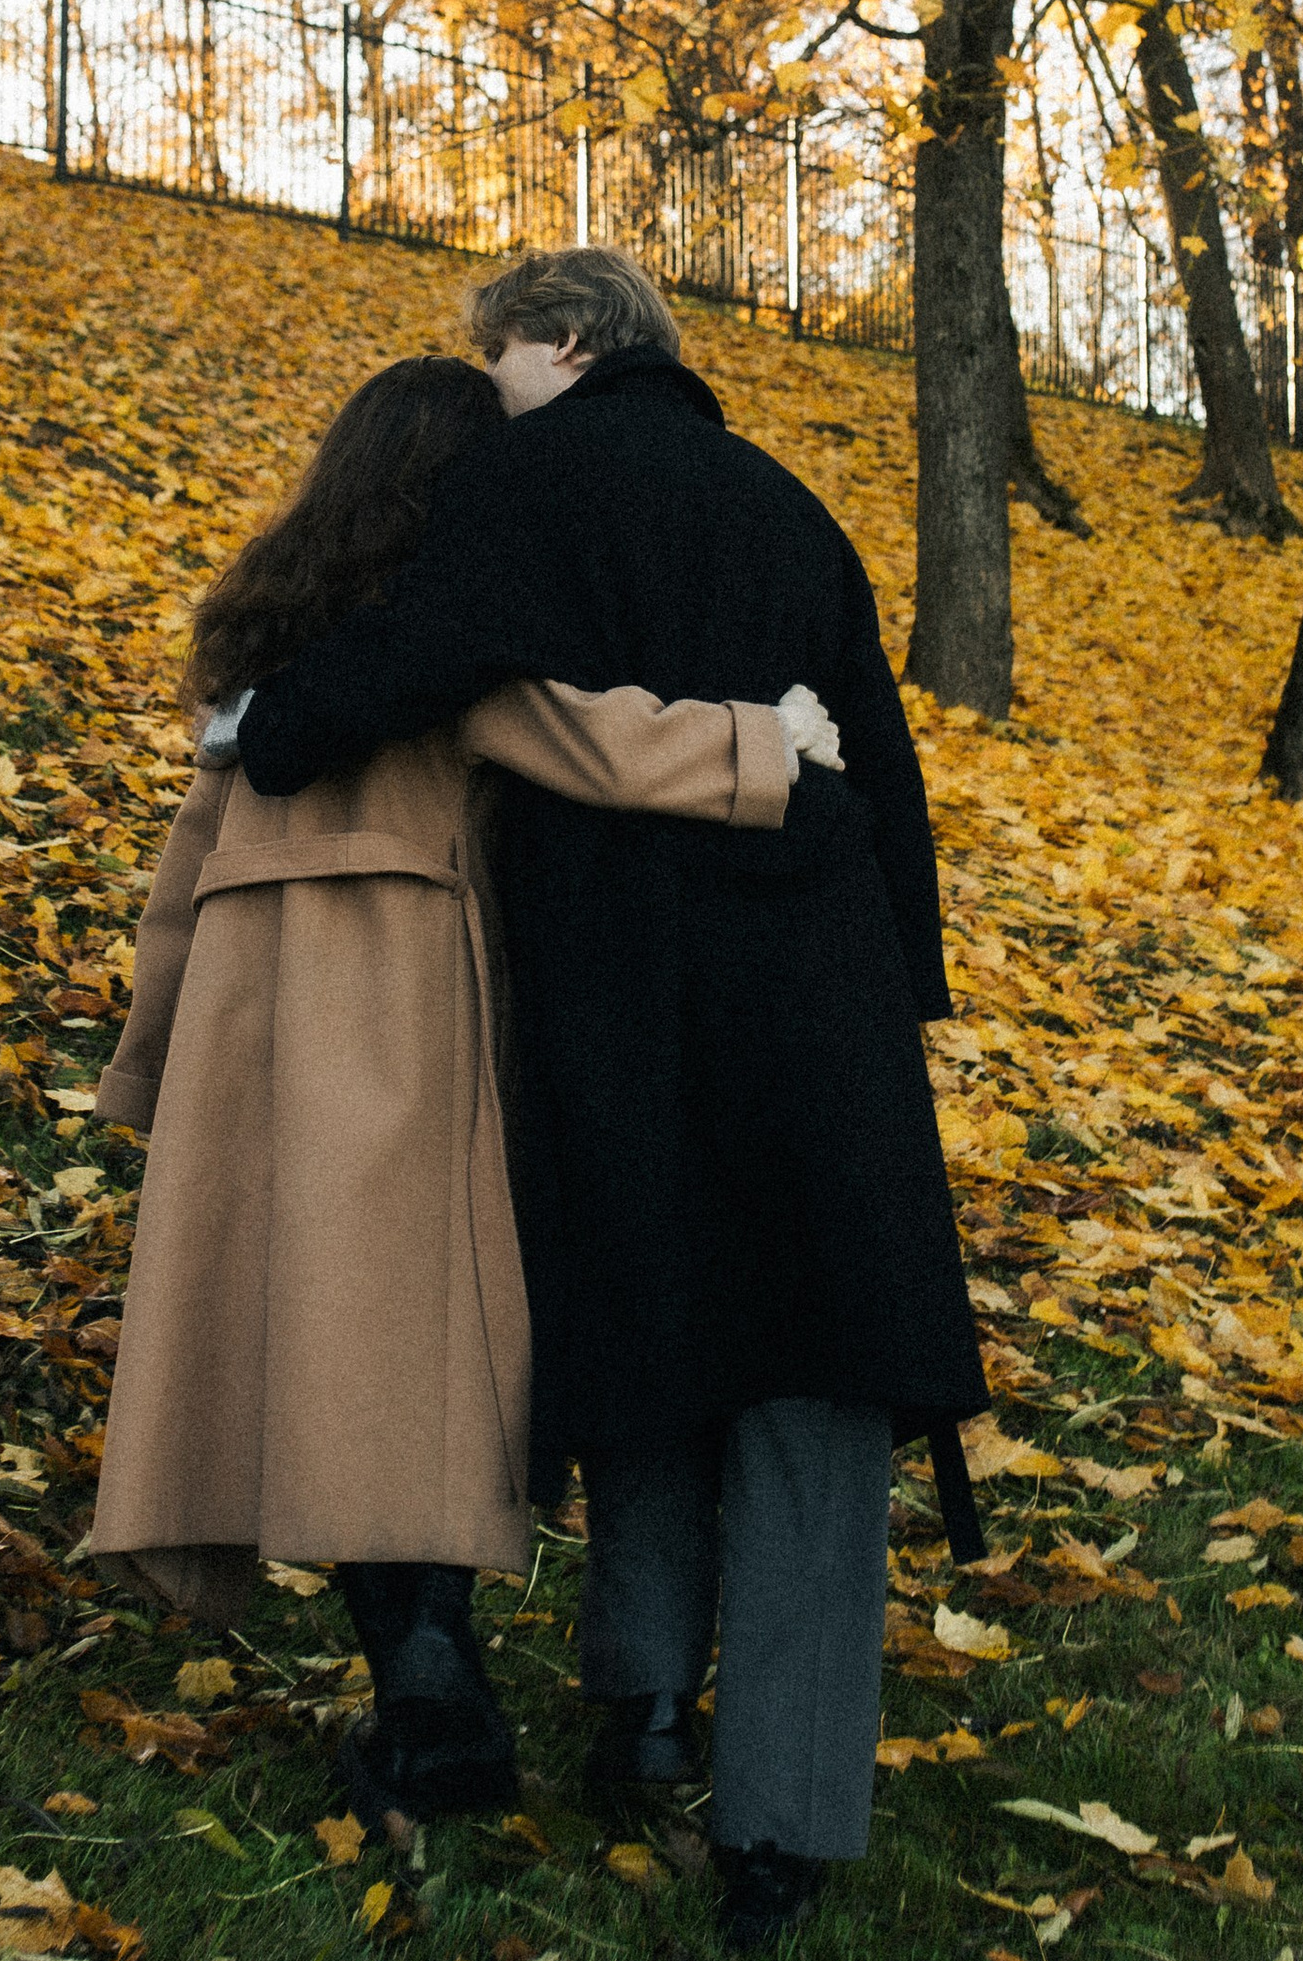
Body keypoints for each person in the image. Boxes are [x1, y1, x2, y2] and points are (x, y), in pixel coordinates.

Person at [239, 250, 987, 1951]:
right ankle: (781, 1832)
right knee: (810, 1378)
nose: (480, 382)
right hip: (818, 987)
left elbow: (437, 656)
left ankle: (643, 1706)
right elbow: (882, 755)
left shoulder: (527, 474)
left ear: (565, 342)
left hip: (624, 993)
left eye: (491, 350)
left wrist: (273, 725)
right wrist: (903, 988)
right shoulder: (794, 507)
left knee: (653, 1324)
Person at [88, 352, 840, 1830]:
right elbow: (598, 742)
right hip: (405, 998)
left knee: (305, 1344)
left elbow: (187, 860)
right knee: (406, 1355)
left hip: (258, 1015)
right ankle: (433, 1679)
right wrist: (774, 743)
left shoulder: (271, 642)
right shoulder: (451, 636)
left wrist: (153, 1058)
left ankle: (414, 1678)